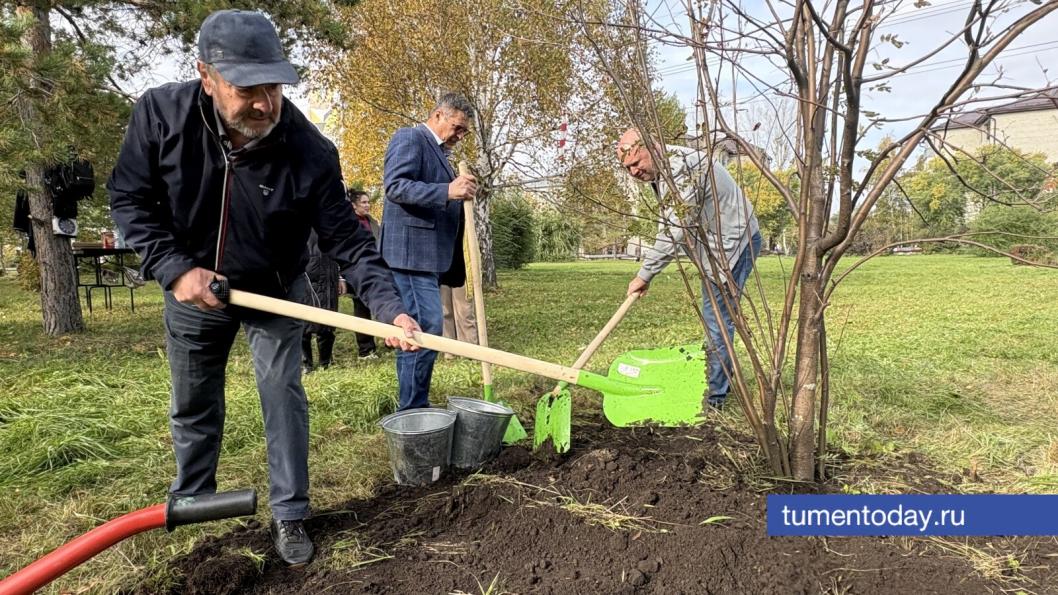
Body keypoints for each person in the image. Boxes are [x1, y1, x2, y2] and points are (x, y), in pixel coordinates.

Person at [107, 9, 420, 567]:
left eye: (273, 87)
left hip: (274, 289)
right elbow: (131, 200)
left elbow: (349, 240)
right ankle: (196, 501)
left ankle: (291, 512)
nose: (264, 103)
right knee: (194, 401)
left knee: (282, 394)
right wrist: (175, 269)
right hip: (193, 287)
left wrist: (391, 308)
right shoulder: (162, 116)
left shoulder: (309, 151)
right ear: (207, 77)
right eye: (246, 89)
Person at [617, 127, 761, 411]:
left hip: (735, 244)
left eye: (636, 163)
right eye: (627, 168)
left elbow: (674, 229)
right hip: (720, 247)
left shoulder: (682, 170)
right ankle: (715, 387)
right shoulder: (668, 170)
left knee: (718, 320)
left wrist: (644, 274)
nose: (633, 172)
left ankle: (715, 399)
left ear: (653, 148)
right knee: (717, 319)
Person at [381, 92, 476, 410]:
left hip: (428, 257)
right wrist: (447, 190)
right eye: (458, 127)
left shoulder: (441, 155)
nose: (460, 136)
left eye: (465, 131)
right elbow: (395, 186)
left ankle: (415, 402)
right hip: (409, 254)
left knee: (420, 329)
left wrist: (459, 189)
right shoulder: (410, 138)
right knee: (424, 328)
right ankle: (411, 408)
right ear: (438, 115)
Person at [345, 189, 382, 359]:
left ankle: (388, 339)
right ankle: (366, 349)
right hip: (358, 270)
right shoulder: (349, 224)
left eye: (368, 202)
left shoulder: (373, 222)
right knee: (362, 309)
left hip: (377, 269)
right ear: (354, 205)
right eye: (364, 202)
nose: (367, 205)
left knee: (381, 305)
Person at [301, 229, 339, 372]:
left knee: (328, 323)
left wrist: (340, 277)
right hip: (308, 276)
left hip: (329, 277)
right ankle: (306, 364)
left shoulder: (329, 223)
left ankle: (326, 362)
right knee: (304, 324)